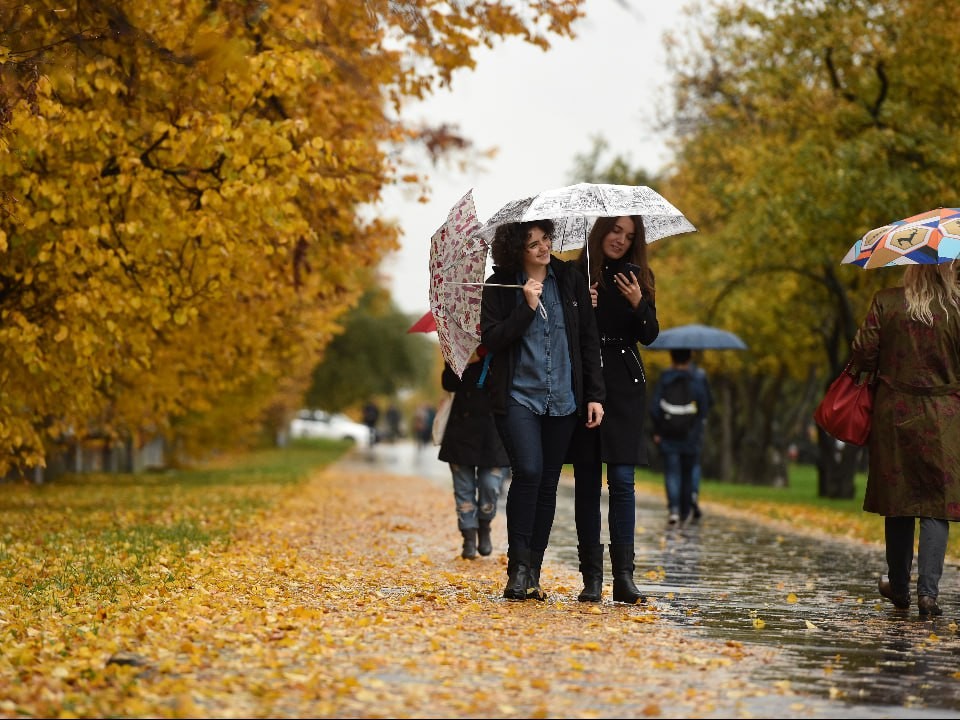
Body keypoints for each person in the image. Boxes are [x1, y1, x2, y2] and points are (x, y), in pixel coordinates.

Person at [480, 218, 606, 601]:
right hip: (519, 396)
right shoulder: (500, 286)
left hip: (563, 399)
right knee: (529, 471)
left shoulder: (569, 279)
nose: (542, 248)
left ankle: (533, 572)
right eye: (533, 242)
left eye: (545, 239)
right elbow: (492, 340)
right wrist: (526, 307)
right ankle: (516, 570)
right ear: (517, 249)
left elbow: (588, 339)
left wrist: (594, 394)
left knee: (548, 483)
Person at [849, 260, 960, 617]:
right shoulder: (956, 307)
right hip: (944, 415)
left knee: (898, 500)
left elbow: (862, 352)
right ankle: (928, 594)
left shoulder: (887, 301)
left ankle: (899, 586)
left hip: (894, 412)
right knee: (934, 503)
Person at [567, 215, 659, 604]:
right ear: (601, 230)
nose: (620, 240)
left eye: (629, 236)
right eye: (615, 231)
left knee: (622, 482)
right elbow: (560, 328)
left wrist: (639, 302)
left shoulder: (639, 277)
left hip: (625, 384)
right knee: (587, 483)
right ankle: (592, 579)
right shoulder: (576, 272)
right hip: (586, 379)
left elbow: (650, 334)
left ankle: (624, 577)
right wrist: (580, 307)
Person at [438, 349, 511, 559]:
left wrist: (489, 359)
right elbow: (449, 384)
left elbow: (504, 392)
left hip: (493, 435)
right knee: (464, 489)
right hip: (461, 432)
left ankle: (484, 525)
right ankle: (468, 537)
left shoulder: (501, 353)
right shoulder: (458, 348)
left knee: (490, 485)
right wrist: (458, 359)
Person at [649, 348, 712, 525]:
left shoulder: (665, 378)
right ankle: (686, 509)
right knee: (688, 471)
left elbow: (655, 407)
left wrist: (657, 430)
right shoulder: (699, 377)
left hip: (668, 435)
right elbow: (706, 406)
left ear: (671, 356)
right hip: (692, 435)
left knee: (672, 472)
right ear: (690, 356)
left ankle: (674, 510)